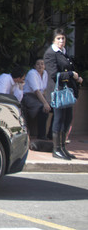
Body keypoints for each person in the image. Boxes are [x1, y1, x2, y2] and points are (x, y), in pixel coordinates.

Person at [43, 28, 83, 160]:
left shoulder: (63, 52)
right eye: (58, 38)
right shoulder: (51, 53)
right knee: (58, 120)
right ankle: (56, 149)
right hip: (57, 92)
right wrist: (72, 74)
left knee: (67, 120)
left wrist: (76, 78)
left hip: (67, 92)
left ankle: (63, 148)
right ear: (53, 40)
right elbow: (54, 74)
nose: (61, 41)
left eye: (63, 38)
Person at [22, 59, 51, 139]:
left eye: (42, 64)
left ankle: (51, 135)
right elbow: (36, 91)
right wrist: (45, 103)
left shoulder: (45, 74)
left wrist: (48, 101)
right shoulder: (32, 73)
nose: (40, 66)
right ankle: (41, 135)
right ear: (34, 66)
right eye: (38, 64)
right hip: (29, 96)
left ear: (45, 66)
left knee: (55, 108)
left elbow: (45, 89)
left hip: (41, 96)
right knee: (43, 109)